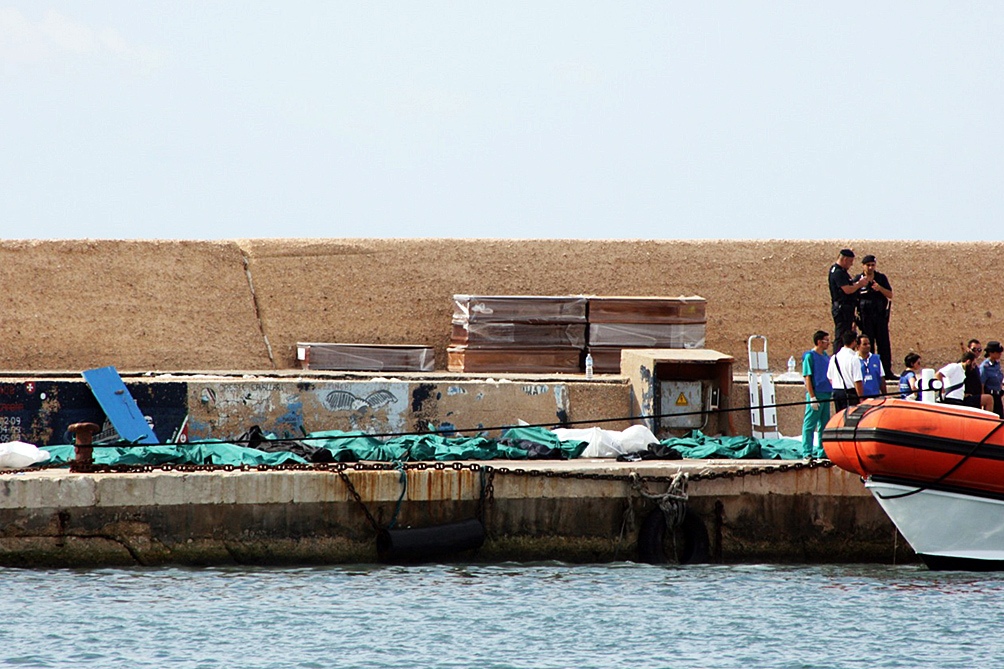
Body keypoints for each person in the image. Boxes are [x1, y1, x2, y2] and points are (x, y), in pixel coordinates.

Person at [855, 255, 894, 379]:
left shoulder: (881, 278)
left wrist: (879, 288)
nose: (870, 267)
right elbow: (853, 298)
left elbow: (890, 294)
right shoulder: (858, 279)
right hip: (865, 316)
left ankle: (886, 371)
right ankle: (870, 370)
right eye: (868, 265)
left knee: (883, 343)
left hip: (880, 315)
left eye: (873, 265)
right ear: (863, 266)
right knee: (868, 343)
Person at [828, 249, 869, 354]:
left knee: (846, 334)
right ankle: (837, 358)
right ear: (845, 259)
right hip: (842, 308)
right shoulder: (838, 272)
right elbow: (847, 289)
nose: (851, 265)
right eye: (850, 262)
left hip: (846, 307)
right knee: (841, 335)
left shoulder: (841, 272)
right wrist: (859, 284)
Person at [801, 330, 832, 459]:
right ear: (819, 342)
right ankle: (807, 452)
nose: (828, 343)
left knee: (824, 425)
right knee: (810, 424)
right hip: (816, 394)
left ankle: (822, 451)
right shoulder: (810, 356)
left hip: (826, 394)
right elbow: (807, 377)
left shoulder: (826, 356)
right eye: (826, 341)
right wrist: (812, 397)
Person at [827, 330, 864, 412]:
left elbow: (829, 377)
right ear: (854, 342)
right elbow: (857, 381)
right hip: (849, 392)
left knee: (839, 417)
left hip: (837, 391)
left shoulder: (834, 357)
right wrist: (861, 398)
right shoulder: (854, 358)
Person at [857, 335, 886, 399]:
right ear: (858, 346)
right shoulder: (854, 360)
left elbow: (881, 378)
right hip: (861, 397)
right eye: (865, 344)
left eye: (869, 344)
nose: (868, 346)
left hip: (875, 396)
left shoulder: (876, 359)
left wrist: (884, 394)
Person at [980, 340, 1004, 417]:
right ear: (991, 353)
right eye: (998, 352)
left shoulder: (997, 364)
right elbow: (982, 384)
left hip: (997, 395)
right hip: (990, 396)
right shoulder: (985, 367)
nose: (1000, 354)